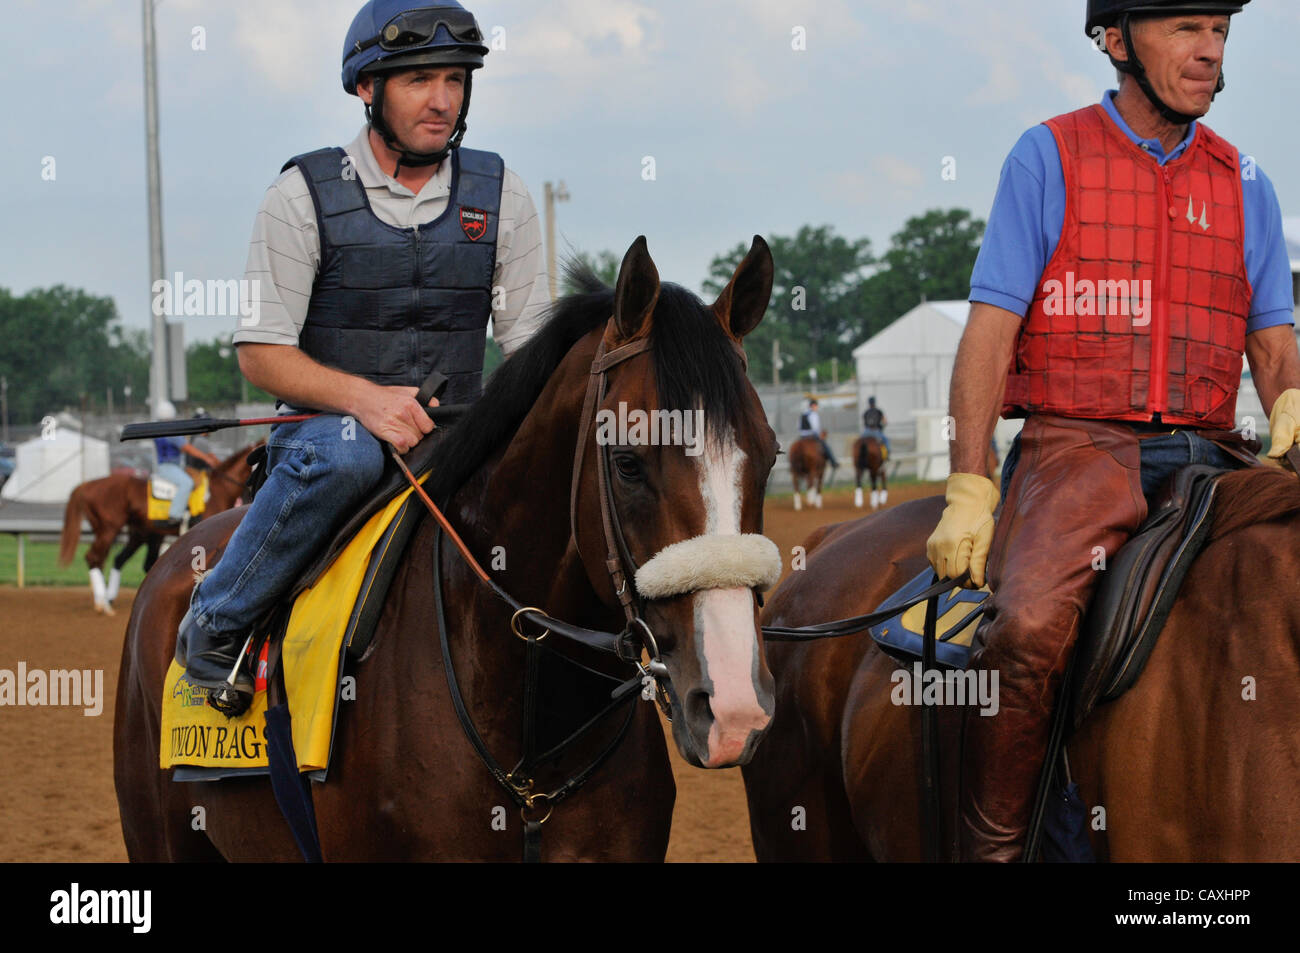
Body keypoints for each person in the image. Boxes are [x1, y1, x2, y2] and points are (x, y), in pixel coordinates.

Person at [925, 0, 1300, 862]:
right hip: (1078, 449)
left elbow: (1276, 349)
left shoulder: (1247, 183)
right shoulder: (1047, 156)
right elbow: (990, 336)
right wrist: (971, 483)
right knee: (1025, 627)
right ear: (1117, 40)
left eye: (1220, 31)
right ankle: (996, 848)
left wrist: (1290, 401)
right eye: (1186, 30)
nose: (1209, 52)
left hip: (1216, 455)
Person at [174, 0, 550, 714]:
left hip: (454, 435)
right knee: (349, 452)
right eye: (419, 81)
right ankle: (218, 617)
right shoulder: (299, 196)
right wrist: (366, 401)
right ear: (367, 88)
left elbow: (531, 346)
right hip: (326, 439)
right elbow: (261, 353)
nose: (443, 101)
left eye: (455, 79)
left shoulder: (504, 194)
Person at [152, 401, 219, 526]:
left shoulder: (159, 428)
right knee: (187, 483)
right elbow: (187, 448)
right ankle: (175, 515)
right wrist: (206, 458)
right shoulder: (169, 430)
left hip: (170, 466)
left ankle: (188, 510)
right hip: (169, 467)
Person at [798, 398, 839, 468]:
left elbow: (798, 426)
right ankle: (833, 462)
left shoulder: (803, 414)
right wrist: (819, 435)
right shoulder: (813, 414)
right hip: (811, 435)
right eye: (816, 406)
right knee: (825, 446)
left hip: (802, 436)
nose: (817, 408)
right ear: (813, 406)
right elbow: (815, 428)